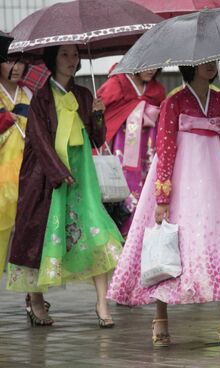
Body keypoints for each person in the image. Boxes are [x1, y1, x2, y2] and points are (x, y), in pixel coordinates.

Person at [106, 61, 220, 350]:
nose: (211, 66)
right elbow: (166, 147)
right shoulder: (175, 101)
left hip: (217, 179)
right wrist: (163, 196)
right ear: (190, 66)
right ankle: (160, 316)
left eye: (213, 62)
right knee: (170, 246)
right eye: (204, 62)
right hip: (182, 180)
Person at [6, 44, 123, 328]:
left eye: (75, 55)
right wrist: (58, 172)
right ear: (52, 59)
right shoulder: (41, 99)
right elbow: (39, 139)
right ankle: (35, 298)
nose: (72, 60)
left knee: (96, 232)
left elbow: (96, 139)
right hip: (45, 178)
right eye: (65, 55)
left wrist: (97, 115)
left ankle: (101, 302)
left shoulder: (83, 95)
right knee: (41, 235)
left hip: (82, 178)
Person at [97, 68, 166, 235]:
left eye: (155, 65)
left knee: (148, 182)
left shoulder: (157, 90)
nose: (152, 70)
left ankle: (145, 228)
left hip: (148, 146)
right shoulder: (116, 84)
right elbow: (101, 112)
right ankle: (122, 228)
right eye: (146, 65)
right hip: (121, 145)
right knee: (121, 183)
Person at [0, 57, 31, 277]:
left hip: (26, 169)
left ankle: (32, 293)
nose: (16, 67)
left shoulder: (28, 94)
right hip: (3, 169)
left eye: (20, 62)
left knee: (26, 228)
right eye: (9, 61)